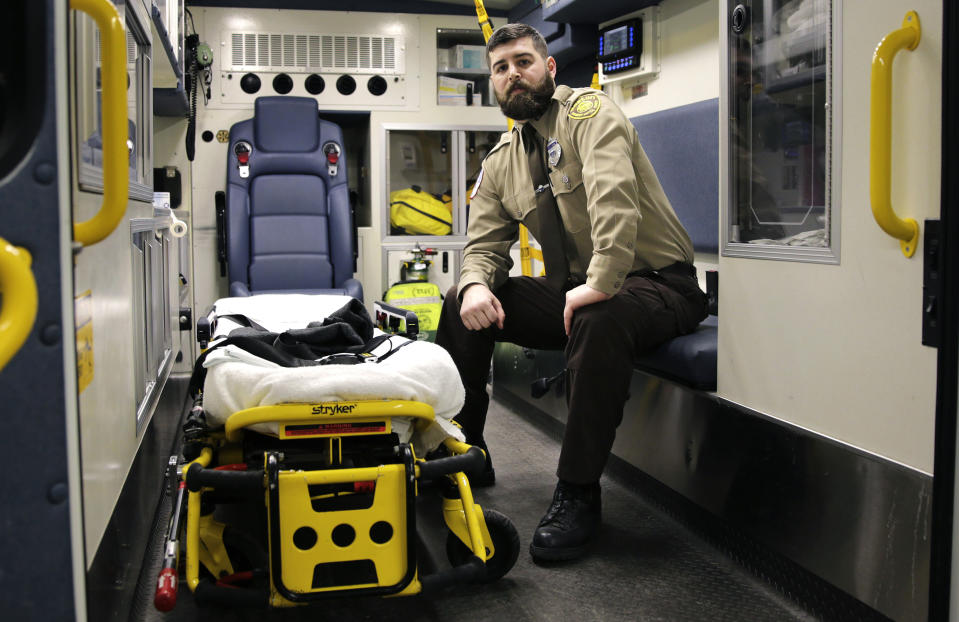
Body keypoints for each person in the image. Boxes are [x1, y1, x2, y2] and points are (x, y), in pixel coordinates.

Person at [435, 23, 707, 562]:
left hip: (659, 283)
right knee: (461, 303)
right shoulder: (499, 163)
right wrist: (472, 288)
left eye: (523, 62)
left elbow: (615, 200)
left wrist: (600, 284)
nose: (513, 75)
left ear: (550, 68)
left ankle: (578, 491)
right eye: (500, 68)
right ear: (493, 84)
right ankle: (465, 454)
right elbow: (484, 248)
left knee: (598, 314)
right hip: (578, 290)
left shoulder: (590, 114)